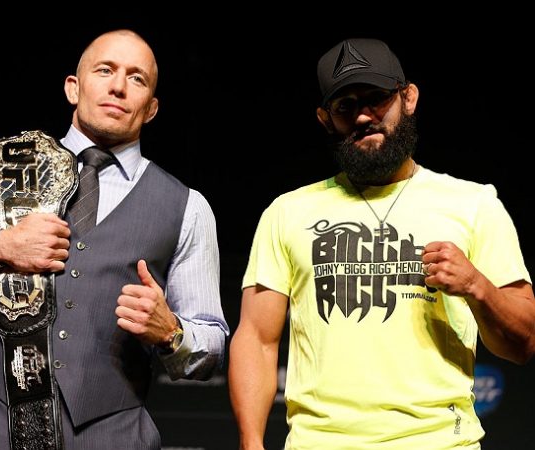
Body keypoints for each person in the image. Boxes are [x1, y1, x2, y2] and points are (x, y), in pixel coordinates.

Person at [0, 29, 228, 449]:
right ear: (73, 88)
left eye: (136, 78)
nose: (119, 86)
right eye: (105, 70)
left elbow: (212, 345)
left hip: (115, 439)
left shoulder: (187, 206)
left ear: (151, 108)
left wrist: (172, 332)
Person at [228, 37, 535, 449]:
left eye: (376, 99)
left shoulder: (474, 204)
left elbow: (524, 343)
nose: (362, 116)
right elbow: (256, 338)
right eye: (345, 106)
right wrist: (251, 442)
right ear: (325, 119)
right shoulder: (287, 213)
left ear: (408, 98)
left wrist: (476, 285)